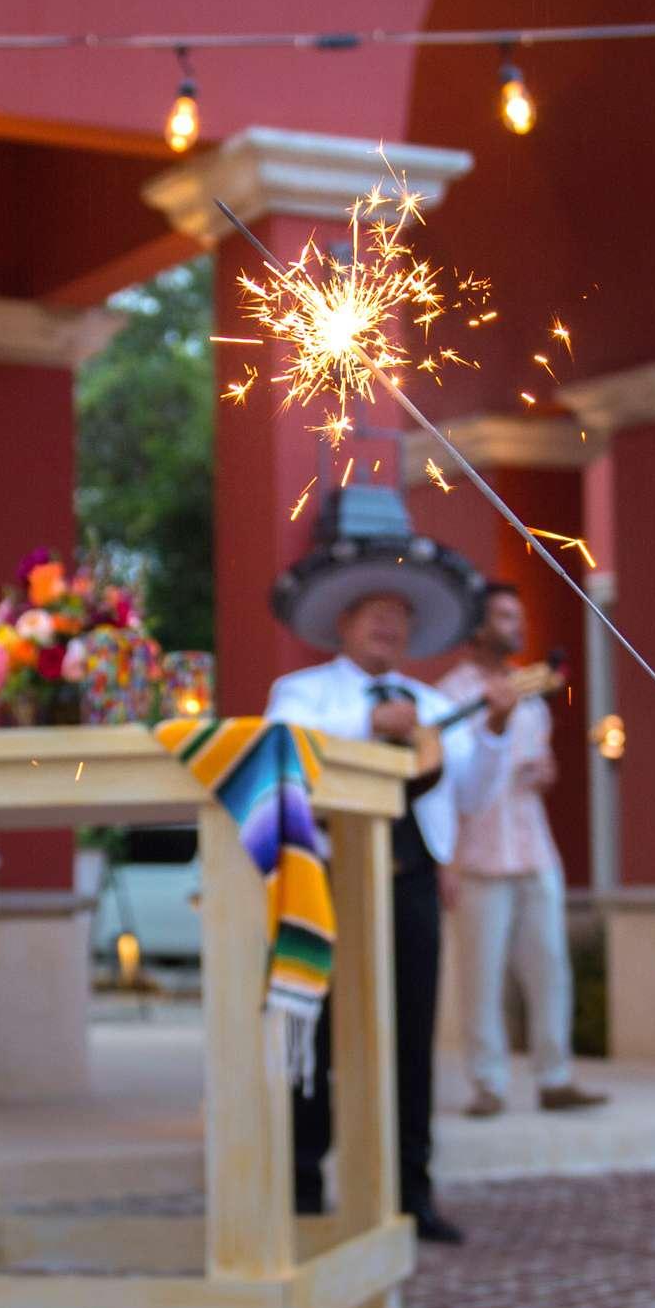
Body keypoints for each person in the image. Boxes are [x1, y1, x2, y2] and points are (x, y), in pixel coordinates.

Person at [266, 493, 513, 1245]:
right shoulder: (304, 695)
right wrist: (363, 726)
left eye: (399, 616)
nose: (389, 625)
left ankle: (412, 1191)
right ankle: (304, 1189)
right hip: (327, 883)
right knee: (317, 1035)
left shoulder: (435, 704)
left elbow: (470, 792)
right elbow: (281, 757)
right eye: (374, 612)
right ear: (343, 624)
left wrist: (497, 732)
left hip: (408, 882)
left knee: (409, 1043)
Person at [438, 581, 604, 1117]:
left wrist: (547, 770)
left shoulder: (531, 689)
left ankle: (555, 1076)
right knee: (482, 977)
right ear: (478, 626)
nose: (519, 628)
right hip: (479, 855)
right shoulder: (450, 695)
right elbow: (446, 782)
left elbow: (540, 761)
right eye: (507, 617)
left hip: (535, 849)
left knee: (550, 967)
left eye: (519, 617)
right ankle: (488, 1085)